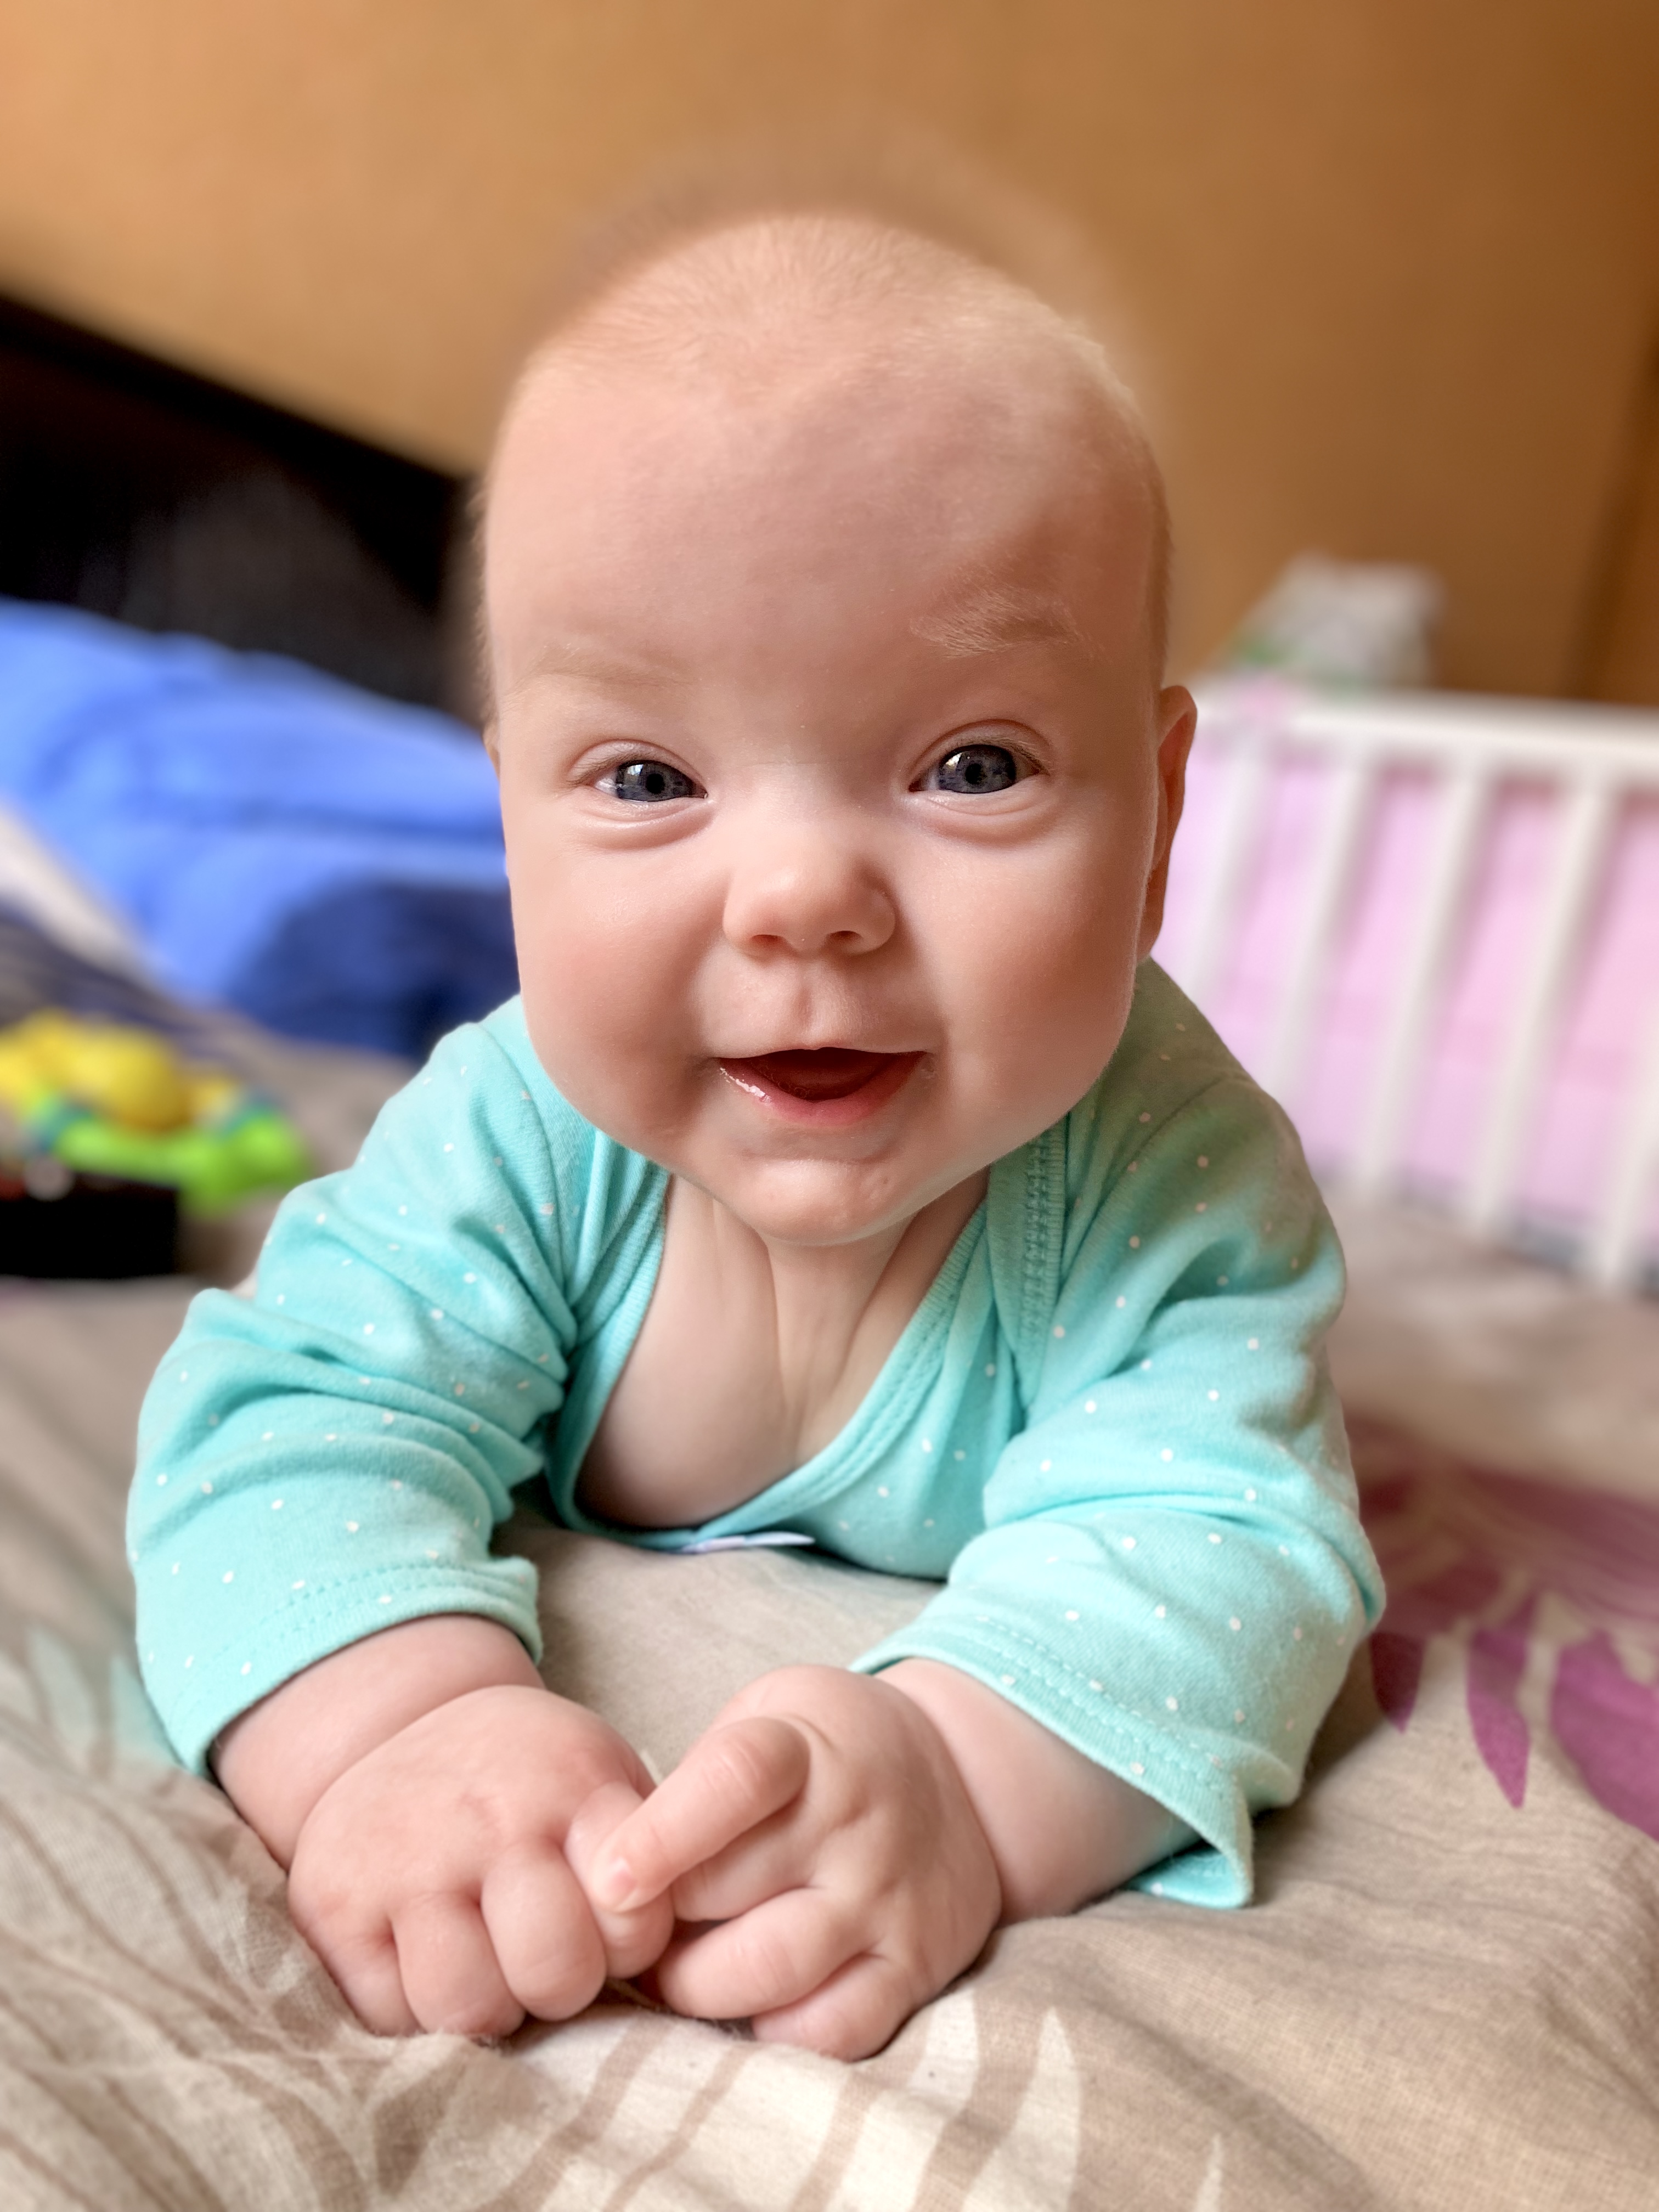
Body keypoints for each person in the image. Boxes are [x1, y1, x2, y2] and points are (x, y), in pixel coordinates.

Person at [129, 206, 1383, 2063]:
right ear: (512, 823)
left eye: (974, 766)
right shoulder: (517, 1135)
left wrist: (964, 1780)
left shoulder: (1172, 1177)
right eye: (648, 779)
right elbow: (283, 1424)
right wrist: (400, 1723)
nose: (800, 898)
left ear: (1158, 819)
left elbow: (1228, 1544)